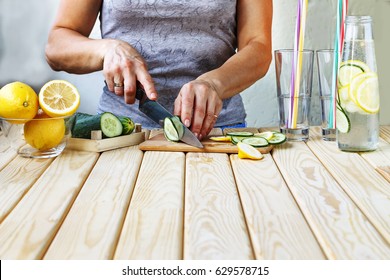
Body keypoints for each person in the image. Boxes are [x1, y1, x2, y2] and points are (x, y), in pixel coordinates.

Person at [45, 0, 272, 140]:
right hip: (120, 133)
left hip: (215, 132)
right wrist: (107, 49)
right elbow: (57, 45)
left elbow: (258, 47)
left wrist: (214, 83)